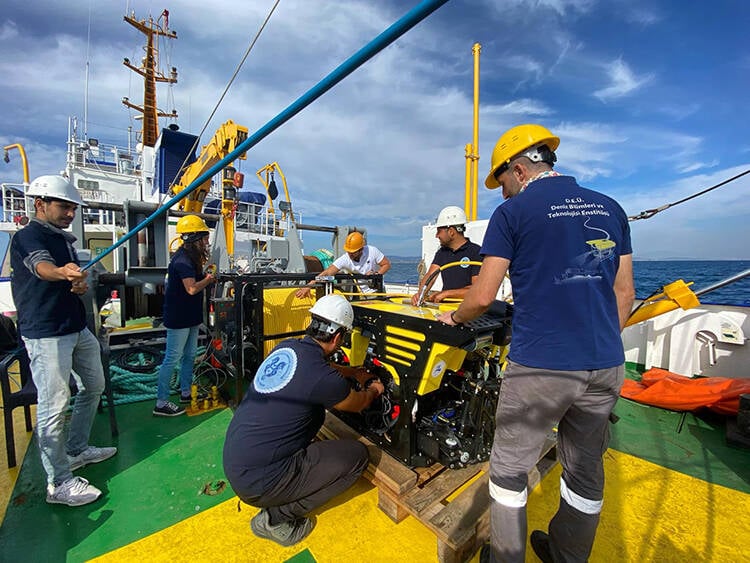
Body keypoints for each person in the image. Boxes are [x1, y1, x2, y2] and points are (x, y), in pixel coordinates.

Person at [437, 124, 635, 563]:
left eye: (502, 182)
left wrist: (454, 314)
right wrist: (595, 345)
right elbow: (625, 295)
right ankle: (567, 556)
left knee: (508, 472)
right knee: (585, 473)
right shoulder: (612, 208)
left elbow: (484, 295)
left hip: (542, 366)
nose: (503, 193)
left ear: (520, 169)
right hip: (605, 363)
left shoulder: (514, 213)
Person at [223, 294, 385, 547]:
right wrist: (375, 388)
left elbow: (322, 369)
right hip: (260, 482)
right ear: (338, 337)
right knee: (356, 457)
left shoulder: (285, 348)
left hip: (238, 462)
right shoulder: (323, 378)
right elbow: (359, 403)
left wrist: (354, 372)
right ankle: (277, 519)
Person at [10, 175, 117, 507]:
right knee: (54, 406)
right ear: (40, 204)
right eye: (64, 206)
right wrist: (64, 273)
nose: (71, 212)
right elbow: (42, 268)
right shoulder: (28, 236)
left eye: (73, 207)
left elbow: (64, 277)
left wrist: (77, 284)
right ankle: (58, 483)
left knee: (93, 386)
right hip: (46, 333)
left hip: (75, 327)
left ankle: (76, 450)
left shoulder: (65, 240)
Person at [153, 215, 215, 417]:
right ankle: (161, 402)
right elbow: (191, 289)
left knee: (189, 356)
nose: (207, 242)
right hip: (179, 318)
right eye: (204, 238)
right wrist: (209, 279)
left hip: (191, 316)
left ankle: (186, 392)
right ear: (195, 238)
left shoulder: (190, 259)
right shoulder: (182, 261)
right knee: (172, 358)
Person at [411, 205, 482, 306]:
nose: (436, 235)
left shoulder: (476, 252)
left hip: (466, 309)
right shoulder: (442, 252)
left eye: (439, 231)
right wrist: (420, 294)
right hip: (444, 308)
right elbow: (430, 276)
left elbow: (477, 289)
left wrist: (447, 294)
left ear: (451, 232)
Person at [295, 231, 391, 298]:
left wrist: (376, 274)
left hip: (379, 291)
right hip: (363, 295)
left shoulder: (372, 251)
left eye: (353, 252)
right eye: (348, 251)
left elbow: (386, 264)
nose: (350, 254)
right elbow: (327, 272)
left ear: (361, 249)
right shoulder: (345, 259)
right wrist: (309, 286)